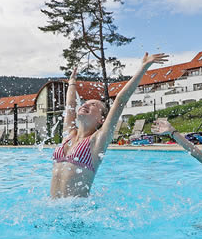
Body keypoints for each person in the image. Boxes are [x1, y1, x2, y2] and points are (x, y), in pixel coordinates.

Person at [50, 52, 168, 198]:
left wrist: (143, 67)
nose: (86, 104)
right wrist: (72, 81)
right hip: (52, 209)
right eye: (85, 103)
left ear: (102, 120)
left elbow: (120, 100)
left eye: (93, 105)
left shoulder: (97, 140)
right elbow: (70, 104)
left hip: (76, 213)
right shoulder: (69, 135)